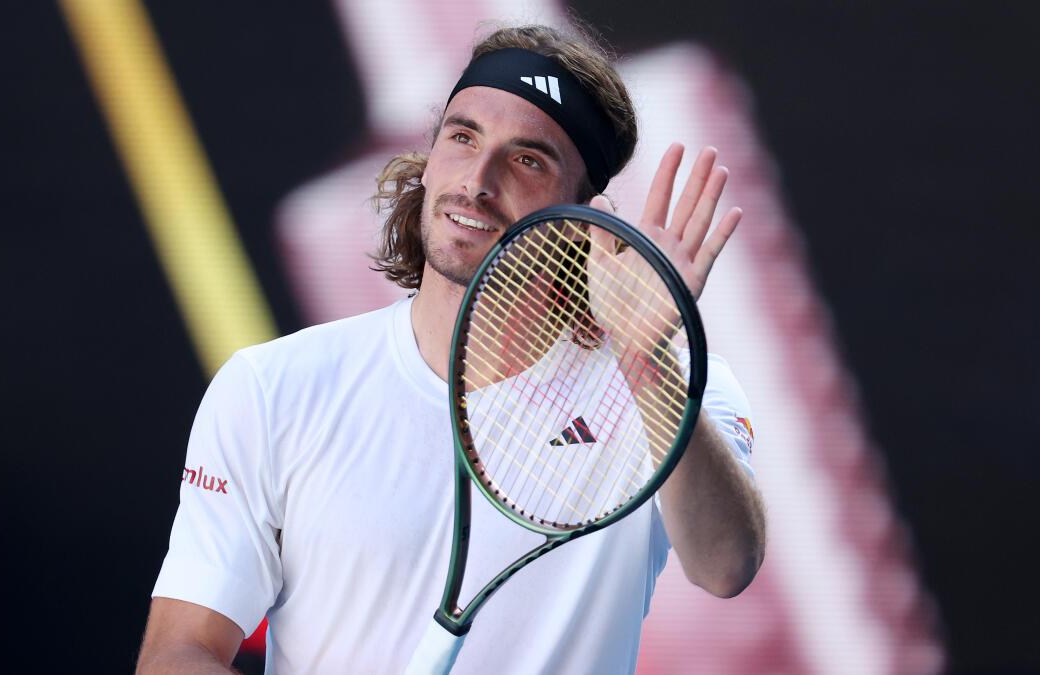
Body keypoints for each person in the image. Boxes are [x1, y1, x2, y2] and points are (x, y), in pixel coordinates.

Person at [136, 23, 766, 674]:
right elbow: (176, 652)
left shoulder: (679, 389)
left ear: (582, 212)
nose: (477, 180)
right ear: (430, 158)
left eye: (528, 159)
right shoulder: (271, 387)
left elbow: (726, 565)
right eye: (463, 137)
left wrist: (641, 357)